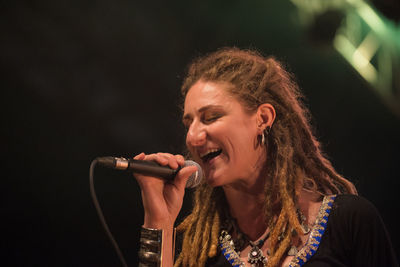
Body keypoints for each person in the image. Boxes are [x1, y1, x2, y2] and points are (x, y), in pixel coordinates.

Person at [133, 47, 398, 267]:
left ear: (263, 118)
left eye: (211, 117)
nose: (192, 137)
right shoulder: (200, 253)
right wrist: (160, 223)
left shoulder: (349, 223)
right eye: (188, 123)